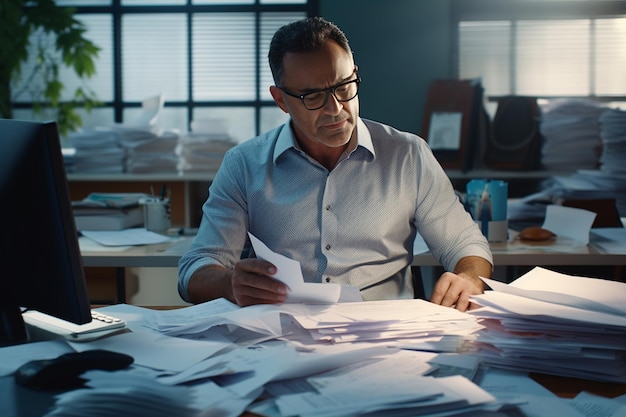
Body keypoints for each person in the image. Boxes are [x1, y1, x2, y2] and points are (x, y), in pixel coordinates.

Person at [178, 16, 493, 312]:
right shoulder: (244, 164)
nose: (335, 108)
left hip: (386, 336)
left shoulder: (408, 155)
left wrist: (469, 277)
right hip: (282, 335)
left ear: (355, 73)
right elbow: (197, 267)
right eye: (313, 96)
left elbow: (465, 243)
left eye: (344, 86)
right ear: (281, 100)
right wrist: (228, 284)